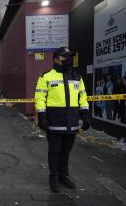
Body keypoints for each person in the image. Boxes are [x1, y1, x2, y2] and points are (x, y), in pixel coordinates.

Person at [34, 47, 91, 193]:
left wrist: (85, 116)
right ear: (55, 59)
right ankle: (53, 178)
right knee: (55, 152)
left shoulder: (77, 77)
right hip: (54, 123)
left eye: (70, 57)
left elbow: (83, 97)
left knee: (66, 152)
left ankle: (63, 176)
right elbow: (40, 98)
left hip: (71, 123)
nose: (69, 59)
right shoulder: (45, 77)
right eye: (65, 57)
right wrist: (42, 117)